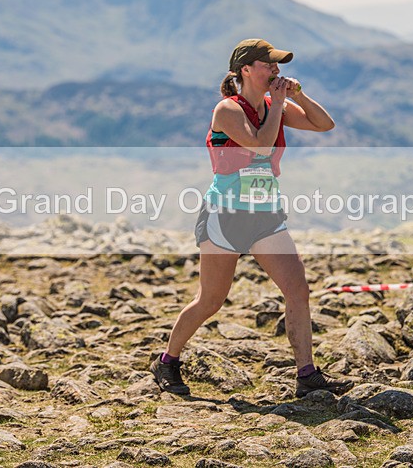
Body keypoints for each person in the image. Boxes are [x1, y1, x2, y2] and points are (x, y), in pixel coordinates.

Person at [151, 38, 353, 398]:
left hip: (265, 215)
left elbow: (325, 125)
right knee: (211, 300)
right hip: (225, 216)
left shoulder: (275, 105)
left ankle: (306, 374)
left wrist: (299, 97)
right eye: (269, 64)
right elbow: (259, 144)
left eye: (278, 65)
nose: (277, 70)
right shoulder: (227, 110)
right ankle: (167, 360)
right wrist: (279, 106)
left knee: (298, 290)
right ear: (246, 70)